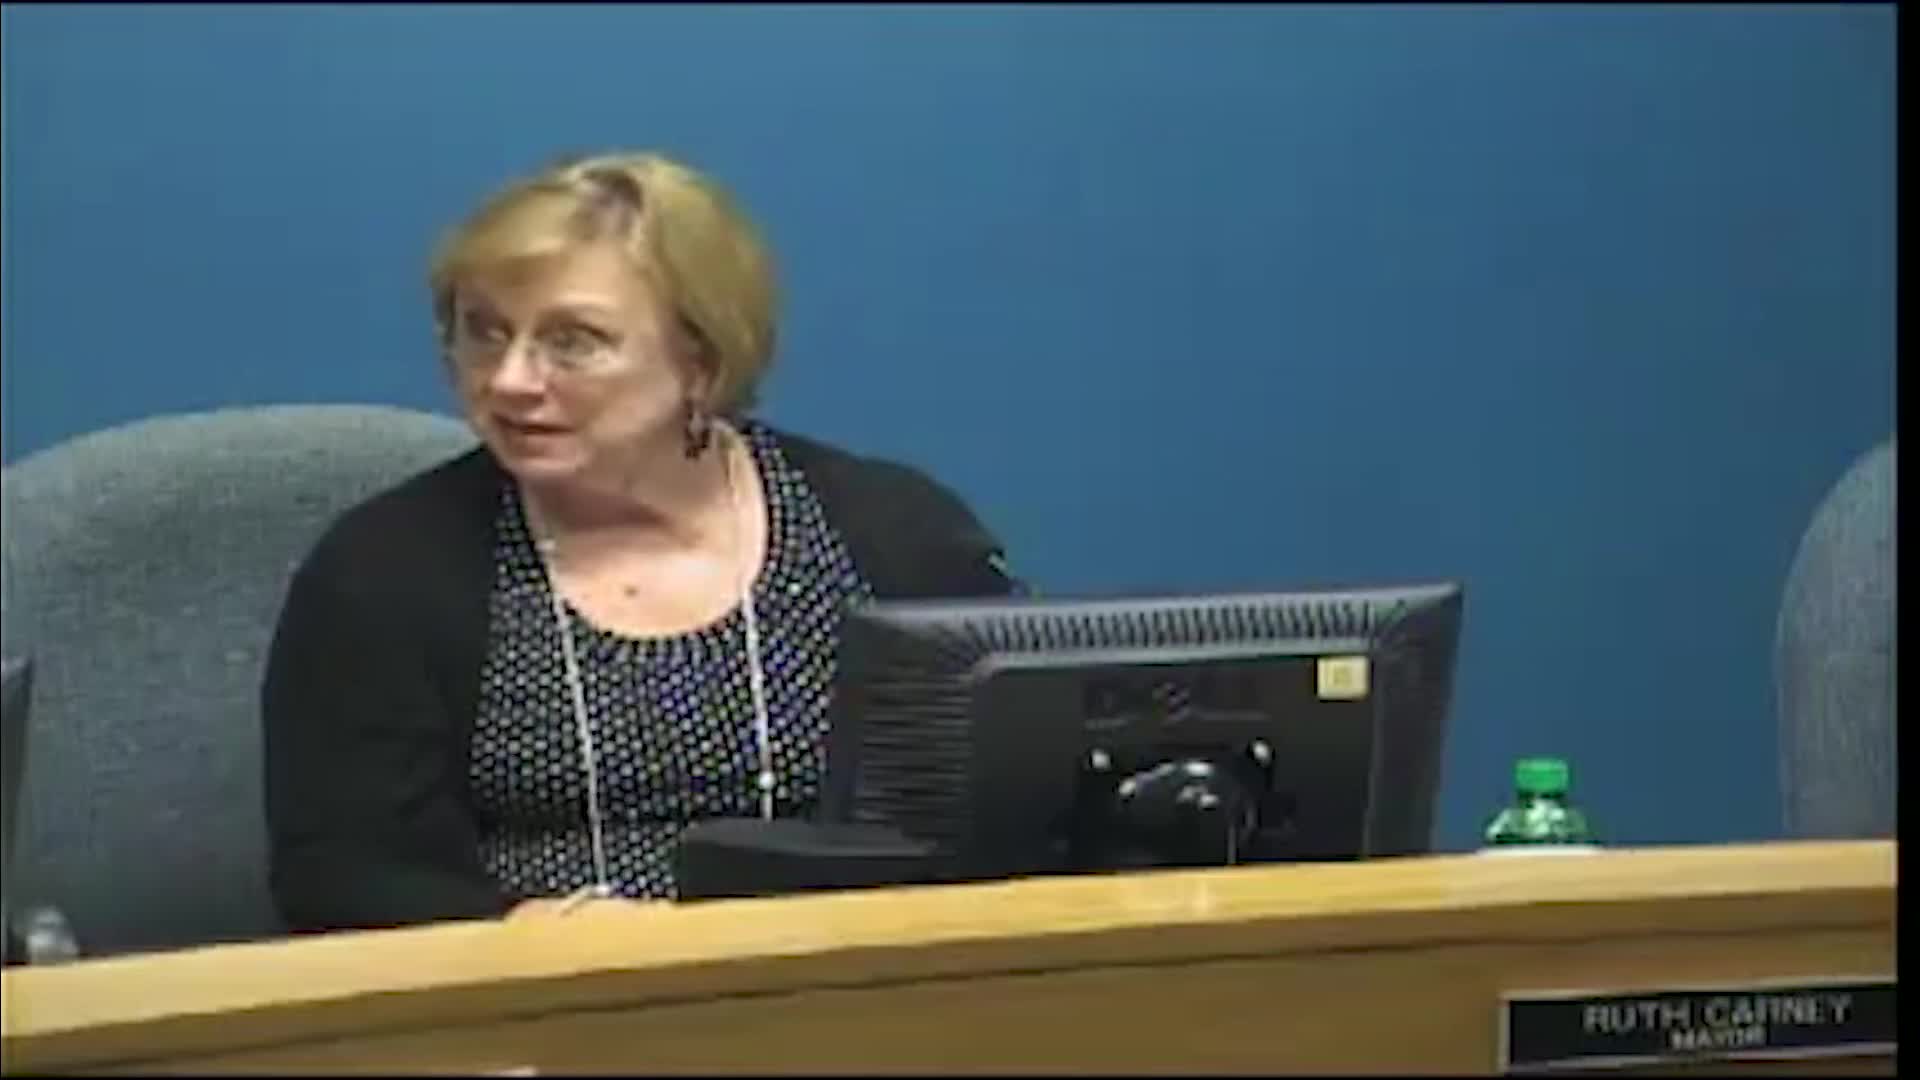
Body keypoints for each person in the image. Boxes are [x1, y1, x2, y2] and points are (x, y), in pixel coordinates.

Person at [261, 151, 1019, 933]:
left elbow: (1015, 812)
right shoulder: (385, 571)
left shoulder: (889, 534)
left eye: (573, 341)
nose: (510, 379)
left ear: (702, 360)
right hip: (542, 990)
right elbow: (344, 877)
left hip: (852, 977)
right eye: (483, 333)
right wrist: (525, 931)